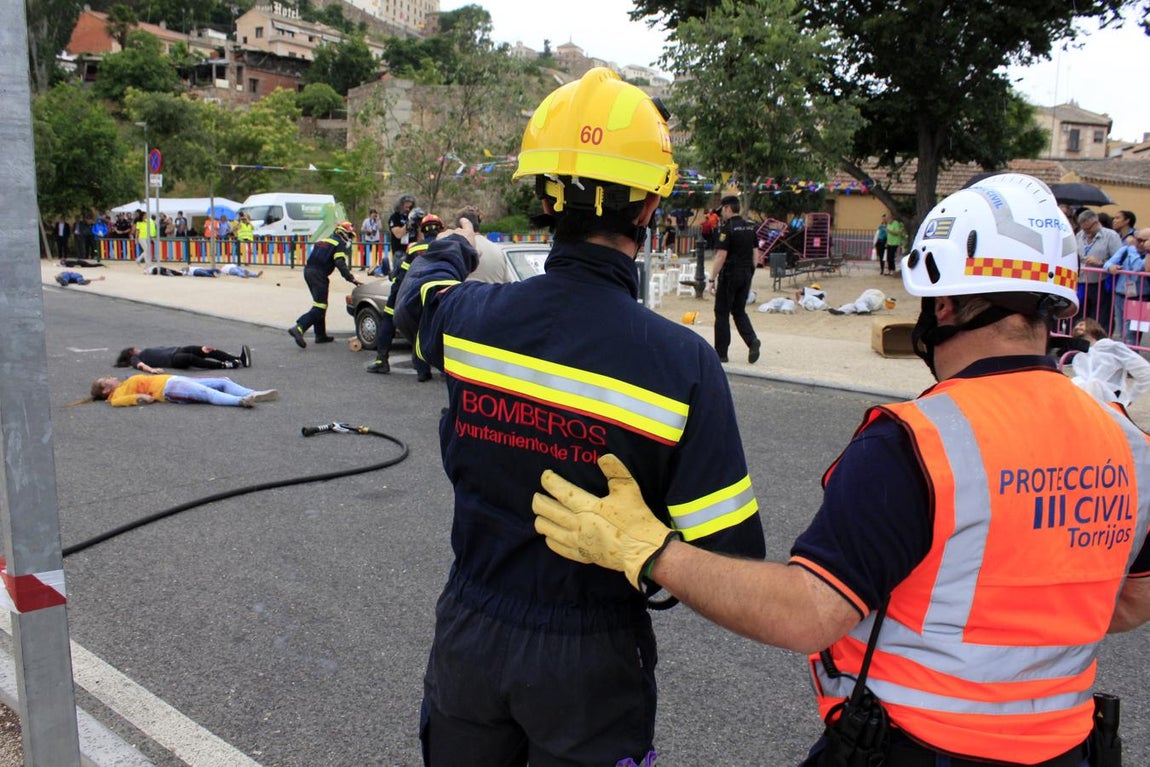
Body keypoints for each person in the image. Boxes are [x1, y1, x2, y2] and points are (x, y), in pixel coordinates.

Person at [530, 173, 1150, 767]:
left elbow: (808, 613)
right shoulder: (1129, 442)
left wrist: (651, 550)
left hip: (917, 747)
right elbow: (1128, 602)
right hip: (1068, 750)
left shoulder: (918, 442)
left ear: (954, 305)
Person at [394, 67, 765, 766]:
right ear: (650, 207)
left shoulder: (471, 322)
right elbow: (734, 561)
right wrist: (650, 549)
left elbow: (417, 301)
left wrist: (455, 243)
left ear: (543, 196)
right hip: (590, 663)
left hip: (470, 633)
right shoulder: (681, 364)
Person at [365, 214, 444, 379]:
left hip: (413, 293)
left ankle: (382, 361)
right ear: (440, 229)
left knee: (388, 318)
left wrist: (394, 286)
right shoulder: (448, 245)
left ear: (422, 230)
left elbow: (403, 274)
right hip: (440, 294)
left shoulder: (414, 248)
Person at [288, 221, 362, 348]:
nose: (350, 239)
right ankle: (299, 327)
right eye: (349, 236)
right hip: (319, 275)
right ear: (343, 233)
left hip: (309, 272)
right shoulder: (339, 243)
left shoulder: (325, 240)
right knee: (320, 306)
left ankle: (320, 335)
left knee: (320, 303)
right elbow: (339, 263)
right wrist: (351, 279)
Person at [708, 195, 762, 364]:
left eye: (722, 210)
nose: (721, 214)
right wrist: (750, 273)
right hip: (746, 274)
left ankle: (721, 353)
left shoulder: (727, 229)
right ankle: (752, 340)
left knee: (722, 312)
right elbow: (756, 254)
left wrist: (711, 279)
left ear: (727, 208)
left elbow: (721, 256)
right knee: (739, 311)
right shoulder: (750, 227)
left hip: (730, 275)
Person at [1069, 317, 1150, 407]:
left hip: (1109, 399)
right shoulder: (1080, 356)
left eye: (1081, 325)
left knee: (1093, 384)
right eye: (1076, 325)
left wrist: (1130, 398)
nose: (1077, 327)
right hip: (1087, 400)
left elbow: (1145, 371)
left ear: (1092, 327)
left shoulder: (1113, 347)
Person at [90, 374, 276, 408]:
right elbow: (134, 399)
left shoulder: (123, 385)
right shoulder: (116, 397)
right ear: (106, 390)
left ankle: (252, 393)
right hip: (168, 388)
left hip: (173, 380)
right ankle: (241, 401)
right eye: (107, 379)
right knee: (207, 393)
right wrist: (140, 396)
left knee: (220, 381)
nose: (111, 377)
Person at [1103, 226, 1150, 344]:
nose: (1140, 243)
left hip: (1139, 298)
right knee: (1122, 331)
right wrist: (1110, 267)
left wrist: (1133, 248)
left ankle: (1132, 358)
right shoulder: (1125, 249)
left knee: (1131, 333)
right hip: (1120, 295)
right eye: (1138, 239)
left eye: (1144, 241)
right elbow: (1108, 263)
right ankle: (1127, 356)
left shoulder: (1141, 252)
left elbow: (1138, 267)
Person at [1077, 208, 1123, 327]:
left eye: (1088, 228)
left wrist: (1100, 262)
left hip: (1101, 282)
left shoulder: (1111, 236)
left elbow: (1119, 260)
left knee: (1101, 316)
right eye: (1083, 229)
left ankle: (1101, 341)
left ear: (1097, 222)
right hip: (1082, 281)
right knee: (1080, 315)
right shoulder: (1079, 235)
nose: (1086, 232)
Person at [458, 207, 516, 284]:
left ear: (460, 226)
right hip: (494, 295)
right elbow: (507, 283)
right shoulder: (498, 250)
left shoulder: (457, 249)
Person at [115, 344, 251, 373]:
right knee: (191, 358)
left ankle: (238, 359)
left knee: (206, 349)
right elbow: (140, 365)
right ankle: (226, 365)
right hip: (174, 359)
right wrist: (151, 370)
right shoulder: (135, 358)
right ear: (131, 352)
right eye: (134, 349)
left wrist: (200, 349)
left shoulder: (145, 350)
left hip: (178, 349)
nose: (137, 349)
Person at [387, 195, 416, 276]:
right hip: (400, 252)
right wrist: (408, 224)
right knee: (398, 277)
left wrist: (420, 224)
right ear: (401, 205)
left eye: (410, 204)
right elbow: (398, 234)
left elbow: (420, 237)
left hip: (413, 251)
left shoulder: (414, 217)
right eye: (406, 203)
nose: (408, 206)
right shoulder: (395, 217)